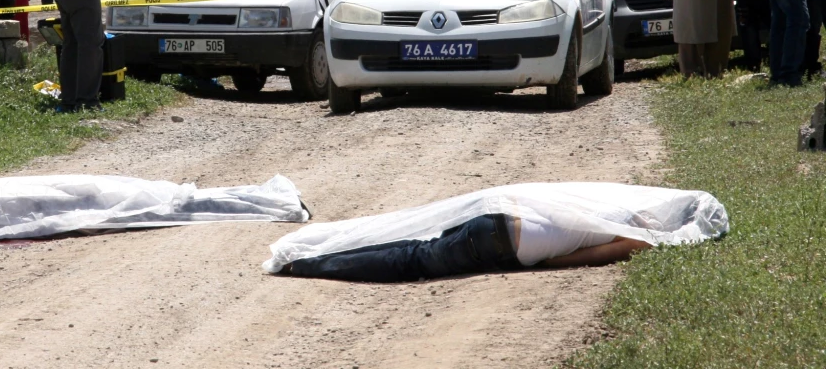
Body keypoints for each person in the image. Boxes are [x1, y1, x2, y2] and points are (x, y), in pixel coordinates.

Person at [268, 183, 726, 283]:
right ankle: (306, 265)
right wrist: (549, 263)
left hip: (498, 215)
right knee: (410, 261)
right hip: (504, 240)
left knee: (413, 243)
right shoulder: (644, 232)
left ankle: (312, 257)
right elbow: (599, 255)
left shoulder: (623, 204)